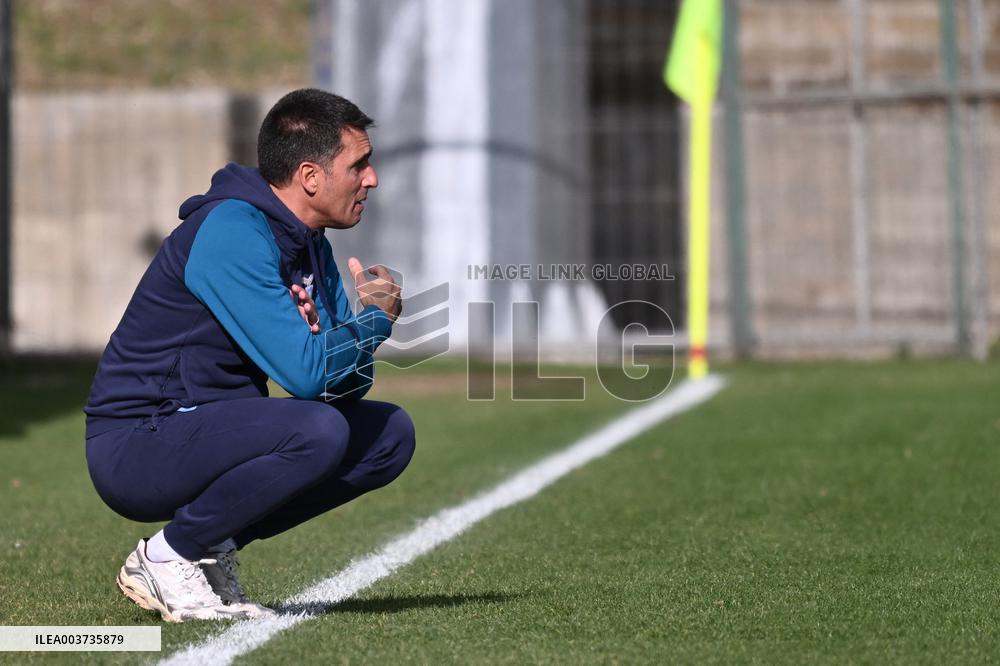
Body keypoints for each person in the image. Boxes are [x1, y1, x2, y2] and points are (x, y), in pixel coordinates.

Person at [83, 89, 415, 622]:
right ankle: (169, 556)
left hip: (205, 431)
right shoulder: (233, 231)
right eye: (360, 165)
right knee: (317, 430)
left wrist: (357, 330)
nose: (371, 179)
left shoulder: (310, 244)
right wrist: (372, 321)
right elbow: (308, 382)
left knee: (389, 435)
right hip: (138, 440)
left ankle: (210, 546)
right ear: (310, 176)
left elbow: (341, 388)